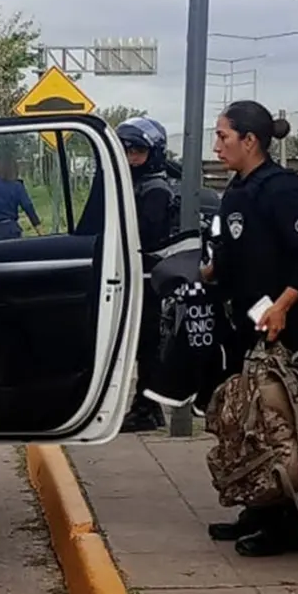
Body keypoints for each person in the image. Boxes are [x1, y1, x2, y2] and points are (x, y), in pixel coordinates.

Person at [203, 101, 298, 557]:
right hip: (247, 321)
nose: (217, 145)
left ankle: (285, 526)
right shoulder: (239, 189)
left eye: (223, 136)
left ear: (249, 140)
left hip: (285, 325)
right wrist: (213, 270)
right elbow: (238, 248)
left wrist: (281, 307)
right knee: (247, 420)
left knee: (280, 424)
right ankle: (257, 508)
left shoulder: (283, 191)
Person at [117, 117, 178, 432]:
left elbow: (146, 236)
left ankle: (145, 409)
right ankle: (149, 407)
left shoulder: (154, 188)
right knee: (146, 346)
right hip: (144, 276)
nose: (130, 156)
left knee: (147, 345)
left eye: (138, 149)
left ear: (153, 151)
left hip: (149, 278)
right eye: (126, 149)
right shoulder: (137, 183)